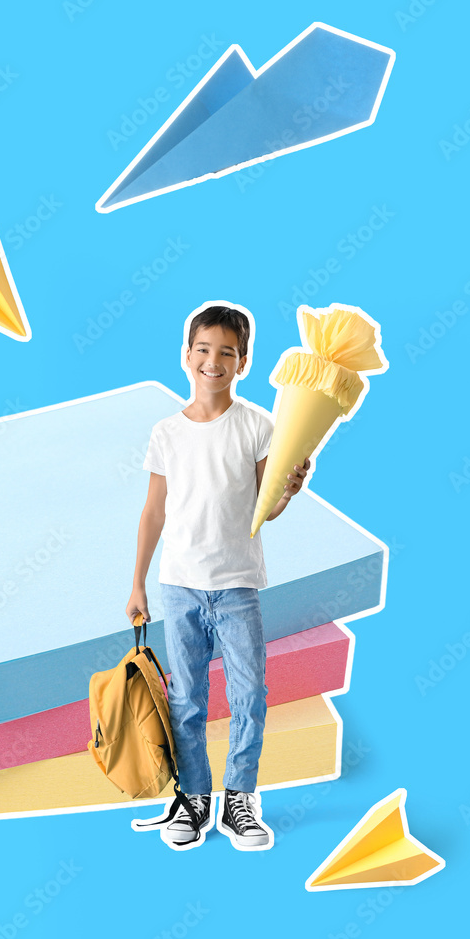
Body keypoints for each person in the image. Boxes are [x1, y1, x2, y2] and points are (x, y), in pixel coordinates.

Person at [126, 302, 309, 851]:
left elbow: (264, 507)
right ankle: (192, 801)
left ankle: (240, 802)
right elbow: (153, 511)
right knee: (185, 700)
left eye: (226, 352)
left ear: (243, 361)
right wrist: (136, 582)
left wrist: (288, 489)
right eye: (203, 349)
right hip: (178, 584)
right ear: (187, 356)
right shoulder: (166, 432)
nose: (213, 360)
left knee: (250, 693)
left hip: (237, 586)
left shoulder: (257, 425)